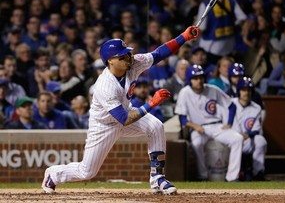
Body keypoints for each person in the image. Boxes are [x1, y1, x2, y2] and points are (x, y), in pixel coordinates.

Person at [41, 25, 200, 195]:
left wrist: (184, 36)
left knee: (156, 126)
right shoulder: (104, 86)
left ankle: (158, 178)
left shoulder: (133, 63)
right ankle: (54, 174)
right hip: (104, 125)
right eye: (122, 56)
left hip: (126, 111)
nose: (128, 57)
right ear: (110, 60)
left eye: (128, 53)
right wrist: (151, 103)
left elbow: (159, 53)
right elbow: (124, 119)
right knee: (87, 172)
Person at [175, 64, 243, 181]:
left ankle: (232, 177)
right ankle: (203, 175)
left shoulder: (213, 89)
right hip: (199, 128)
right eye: (196, 78)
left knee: (238, 139)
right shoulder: (184, 93)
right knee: (196, 144)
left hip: (217, 125)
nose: (199, 81)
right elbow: (182, 119)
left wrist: (229, 124)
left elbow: (232, 106)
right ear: (190, 80)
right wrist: (194, 126)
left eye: (201, 77)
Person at [232, 76, 267, 181]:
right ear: (239, 91)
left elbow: (256, 130)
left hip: (247, 139)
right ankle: (231, 174)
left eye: (248, 90)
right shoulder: (230, 103)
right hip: (230, 139)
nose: (246, 93)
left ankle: (258, 172)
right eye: (243, 90)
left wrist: (247, 135)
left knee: (261, 141)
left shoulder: (256, 107)